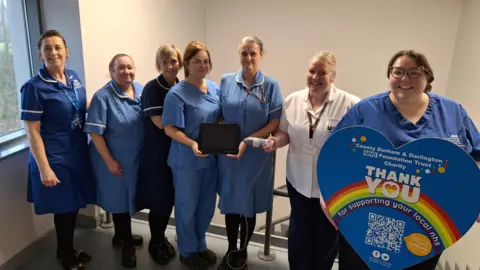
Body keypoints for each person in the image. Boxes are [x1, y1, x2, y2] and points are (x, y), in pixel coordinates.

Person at [331, 49, 480, 270]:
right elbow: (336, 154)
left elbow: (475, 157)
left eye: (414, 72)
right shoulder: (366, 110)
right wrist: (329, 197)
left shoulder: (452, 112)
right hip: (368, 214)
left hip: (427, 221)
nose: (404, 79)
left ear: (427, 76)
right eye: (398, 72)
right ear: (389, 75)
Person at [262, 51, 361, 270]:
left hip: (331, 186)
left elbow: (358, 146)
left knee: (325, 239)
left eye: (322, 72)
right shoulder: (293, 100)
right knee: (298, 234)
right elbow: (284, 133)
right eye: (312, 71)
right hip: (298, 180)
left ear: (333, 76)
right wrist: (275, 142)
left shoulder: (351, 105)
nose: (315, 77)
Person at [20, 29, 95, 270]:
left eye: (57, 47)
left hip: (76, 153)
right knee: (63, 208)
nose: (53, 52)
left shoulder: (73, 78)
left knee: (72, 206)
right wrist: (44, 169)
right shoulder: (34, 87)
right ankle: (65, 255)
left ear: (66, 51)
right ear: (40, 54)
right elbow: (32, 131)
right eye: (47, 48)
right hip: (54, 157)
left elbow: (79, 109)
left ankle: (68, 248)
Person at [216, 36, 283, 270]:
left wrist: (248, 140)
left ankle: (242, 251)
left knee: (249, 206)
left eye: (253, 53)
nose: (248, 58)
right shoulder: (225, 81)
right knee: (232, 204)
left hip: (256, 155)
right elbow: (219, 114)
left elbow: (274, 122)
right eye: (244, 53)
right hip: (230, 155)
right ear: (239, 55)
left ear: (261, 55)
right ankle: (230, 248)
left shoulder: (271, 86)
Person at [162, 41, 221, 270]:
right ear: (186, 64)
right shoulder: (177, 94)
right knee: (187, 206)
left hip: (211, 157)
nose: (202, 65)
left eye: (206, 61)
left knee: (206, 206)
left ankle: (199, 244)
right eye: (197, 61)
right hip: (186, 159)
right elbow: (169, 128)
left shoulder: (215, 88)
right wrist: (192, 143)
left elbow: (221, 117)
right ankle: (187, 250)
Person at [84, 53, 144, 268]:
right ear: (111, 71)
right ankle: (126, 245)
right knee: (119, 200)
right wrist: (109, 160)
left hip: (134, 158)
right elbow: (95, 133)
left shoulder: (141, 90)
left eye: (130, 67)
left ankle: (120, 236)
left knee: (129, 199)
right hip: (111, 159)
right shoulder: (103, 96)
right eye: (121, 68)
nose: (126, 72)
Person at [135, 44, 182, 265]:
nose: (171, 66)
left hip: (178, 153)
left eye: (174, 61)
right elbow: (161, 124)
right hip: (157, 155)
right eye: (166, 62)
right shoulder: (152, 89)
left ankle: (161, 237)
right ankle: (155, 242)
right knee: (159, 201)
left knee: (170, 200)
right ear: (159, 65)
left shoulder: (182, 86)